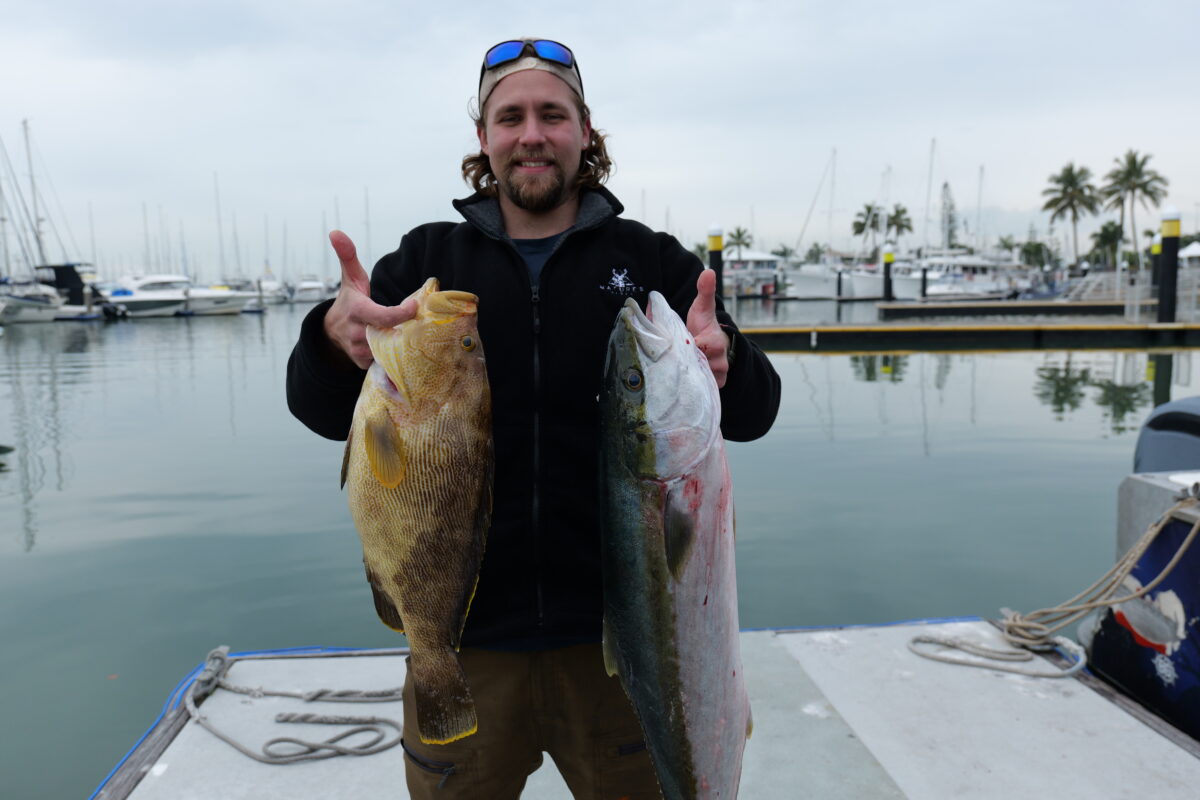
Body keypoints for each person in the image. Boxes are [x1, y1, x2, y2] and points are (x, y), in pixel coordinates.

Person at [286, 37, 781, 799]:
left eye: (553, 114)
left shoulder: (652, 265)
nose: (532, 134)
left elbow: (754, 414)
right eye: (509, 116)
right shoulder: (424, 264)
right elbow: (320, 414)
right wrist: (330, 340)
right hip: (466, 642)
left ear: (586, 132)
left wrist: (729, 363)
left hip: (624, 646)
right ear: (483, 139)